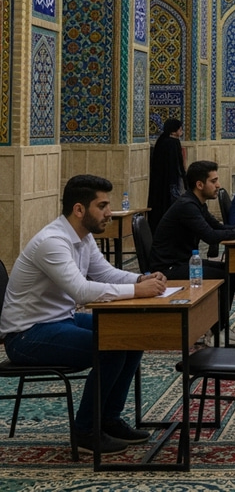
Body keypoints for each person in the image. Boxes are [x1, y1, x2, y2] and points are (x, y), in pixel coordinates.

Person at [0, 175, 168, 454]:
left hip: (59, 321)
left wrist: (140, 279)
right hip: (27, 335)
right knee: (111, 347)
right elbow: (82, 291)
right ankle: (86, 431)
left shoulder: (83, 236)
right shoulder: (52, 241)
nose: (109, 213)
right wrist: (138, 292)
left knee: (130, 335)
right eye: (102, 206)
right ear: (79, 209)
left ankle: (109, 420)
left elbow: (104, 274)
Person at [149, 160, 235, 339]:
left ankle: (219, 327)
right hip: (169, 268)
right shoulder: (187, 206)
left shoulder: (197, 203)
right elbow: (210, 236)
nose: (218, 185)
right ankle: (216, 332)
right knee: (224, 276)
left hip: (183, 262)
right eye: (213, 181)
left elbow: (215, 226)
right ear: (199, 184)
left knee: (233, 270)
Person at [147, 118, 186, 231]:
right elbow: (175, 165)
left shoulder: (163, 141)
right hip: (169, 182)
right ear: (174, 130)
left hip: (163, 182)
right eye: (180, 128)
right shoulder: (171, 143)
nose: (181, 131)